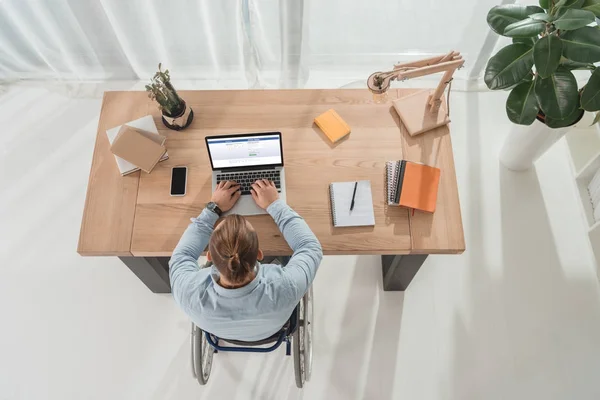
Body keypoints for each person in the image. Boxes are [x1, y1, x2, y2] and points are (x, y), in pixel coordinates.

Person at [169, 179, 323, 341]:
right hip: (272, 331)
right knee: (289, 256)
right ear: (259, 254)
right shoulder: (286, 286)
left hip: (223, 334)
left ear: (209, 257)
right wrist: (274, 204)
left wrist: (213, 208)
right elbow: (309, 246)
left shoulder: (187, 292)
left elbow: (182, 255)